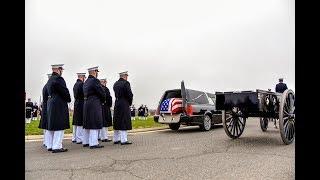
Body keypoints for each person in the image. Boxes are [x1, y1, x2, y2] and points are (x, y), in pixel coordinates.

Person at [46, 64, 71, 153]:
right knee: (60, 126)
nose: (62, 71)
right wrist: (69, 99)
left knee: (52, 125)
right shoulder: (59, 79)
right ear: (59, 69)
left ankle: (51, 145)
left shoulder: (50, 79)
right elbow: (64, 91)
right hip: (59, 103)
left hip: (51, 103)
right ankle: (57, 146)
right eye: (62, 70)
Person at [83, 66, 106, 149]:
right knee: (94, 122)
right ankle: (93, 143)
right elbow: (101, 92)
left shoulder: (86, 82)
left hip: (87, 103)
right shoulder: (95, 81)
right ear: (95, 72)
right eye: (97, 72)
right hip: (94, 103)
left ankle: (86, 141)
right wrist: (103, 100)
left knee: (88, 123)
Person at [113, 71, 133, 145]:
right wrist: (129, 103)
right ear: (125, 76)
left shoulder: (115, 84)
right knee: (124, 120)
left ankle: (116, 139)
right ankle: (124, 140)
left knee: (117, 120)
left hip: (117, 102)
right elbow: (129, 94)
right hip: (124, 102)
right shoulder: (126, 83)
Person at [71, 73, 86, 144]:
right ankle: (79, 138)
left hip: (76, 103)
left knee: (76, 122)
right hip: (81, 104)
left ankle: (74, 137)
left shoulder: (75, 84)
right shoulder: (82, 84)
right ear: (82, 77)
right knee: (80, 122)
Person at [38, 73, 52, 148]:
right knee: (47, 126)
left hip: (45, 106)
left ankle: (46, 141)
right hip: (47, 107)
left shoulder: (45, 86)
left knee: (46, 126)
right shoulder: (48, 86)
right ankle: (47, 142)